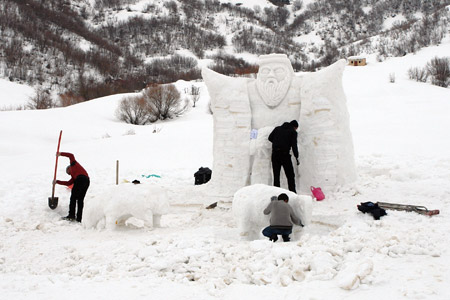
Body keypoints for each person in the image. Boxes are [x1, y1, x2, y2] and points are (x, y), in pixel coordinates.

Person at [55, 152, 90, 222]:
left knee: (73, 198)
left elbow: (71, 155)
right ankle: (79, 218)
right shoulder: (74, 176)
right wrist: (57, 182)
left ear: (68, 168)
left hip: (80, 179)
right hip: (87, 180)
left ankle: (71, 215)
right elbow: (68, 183)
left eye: (68, 172)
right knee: (80, 200)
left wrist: (60, 154)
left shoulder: (73, 164)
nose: (69, 173)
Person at [268, 120, 299, 193]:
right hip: (285, 155)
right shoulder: (293, 132)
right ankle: (293, 193)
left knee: (276, 176)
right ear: (294, 127)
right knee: (290, 175)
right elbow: (294, 145)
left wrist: (277, 142)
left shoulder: (277, 129)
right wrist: (296, 156)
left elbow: (270, 138)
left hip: (275, 154)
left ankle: (276, 193)